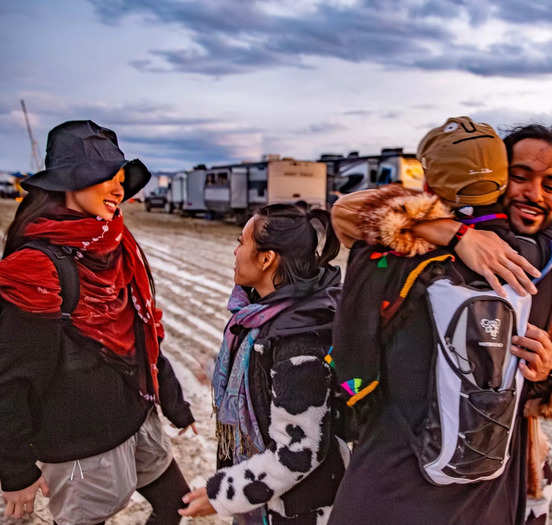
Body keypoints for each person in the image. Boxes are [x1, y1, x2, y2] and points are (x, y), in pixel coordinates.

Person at [328, 117, 552, 524]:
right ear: (496, 176)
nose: (533, 193)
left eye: (550, 185)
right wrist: (456, 234)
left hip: (506, 454)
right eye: (519, 177)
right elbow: (346, 212)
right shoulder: (422, 228)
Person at [0, 120, 195, 524]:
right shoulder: (35, 268)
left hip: (134, 415)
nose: (119, 188)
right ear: (67, 182)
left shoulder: (116, 242)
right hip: (78, 440)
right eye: (105, 176)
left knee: (176, 505)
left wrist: (174, 400)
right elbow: (9, 378)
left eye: (121, 177)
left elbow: (143, 332)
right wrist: (16, 470)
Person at [179, 204, 350, 524]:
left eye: (241, 242)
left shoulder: (298, 341)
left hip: (297, 511)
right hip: (267, 501)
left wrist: (222, 495)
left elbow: (298, 453)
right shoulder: (264, 318)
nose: (235, 251)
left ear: (266, 258)